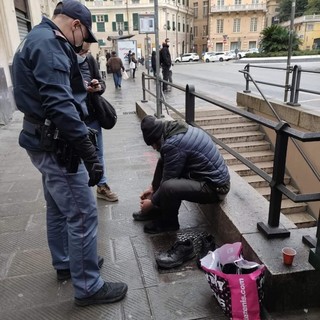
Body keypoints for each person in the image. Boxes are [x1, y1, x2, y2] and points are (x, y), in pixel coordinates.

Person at [12, 0, 127, 306]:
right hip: (56, 144)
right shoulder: (50, 44)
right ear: (76, 25)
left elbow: (50, 94)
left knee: (57, 205)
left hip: (39, 139)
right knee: (82, 212)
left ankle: (66, 262)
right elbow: (59, 106)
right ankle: (88, 285)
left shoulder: (35, 36)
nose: (83, 44)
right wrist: (89, 153)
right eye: (85, 37)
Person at [132, 116, 230, 234]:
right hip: (205, 178)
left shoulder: (173, 144)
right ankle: (158, 209)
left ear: (157, 139)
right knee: (162, 161)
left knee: (169, 187)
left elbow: (168, 181)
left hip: (215, 188)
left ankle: (168, 223)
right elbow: (167, 166)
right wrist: (152, 188)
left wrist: (151, 202)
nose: (153, 148)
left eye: (152, 144)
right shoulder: (174, 130)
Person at [78, 42, 118, 202]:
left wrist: (97, 87)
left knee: (98, 153)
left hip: (92, 115)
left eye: (86, 51)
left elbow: (101, 83)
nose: (84, 54)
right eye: (81, 50)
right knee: (77, 156)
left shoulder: (89, 60)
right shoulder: (64, 60)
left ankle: (102, 186)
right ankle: (81, 190)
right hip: (74, 118)